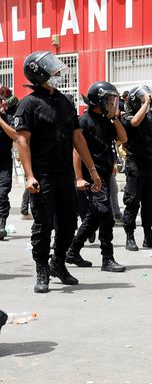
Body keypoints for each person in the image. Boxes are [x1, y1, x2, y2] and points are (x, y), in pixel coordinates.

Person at [12, 51, 102, 293]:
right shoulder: (28, 104)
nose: (57, 74)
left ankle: (58, 263)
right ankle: (42, 269)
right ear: (38, 73)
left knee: (69, 222)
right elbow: (22, 141)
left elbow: (77, 137)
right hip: (42, 175)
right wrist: (29, 175)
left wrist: (91, 170)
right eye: (51, 70)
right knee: (43, 224)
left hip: (65, 175)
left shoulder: (65, 101)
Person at [65, 82, 127, 273]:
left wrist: (115, 118)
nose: (111, 103)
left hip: (104, 175)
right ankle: (107, 258)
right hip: (90, 175)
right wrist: (78, 178)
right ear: (98, 101)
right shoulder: (84, 120)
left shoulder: (105, 120)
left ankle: (72, 251)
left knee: (94, 216)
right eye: (108, 100)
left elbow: (123, 139)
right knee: (106, 216)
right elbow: (77, 151)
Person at [120, 86, 152, 251]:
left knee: (148, 203)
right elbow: (134, 122)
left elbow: (150, 142)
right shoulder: (127, 116)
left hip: (147, 164)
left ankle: (148, 237)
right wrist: (147, 101)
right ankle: (130, 237)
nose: (143, 103)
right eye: (140, 100)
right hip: (134, 164)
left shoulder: (147, 119)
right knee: (132, 202)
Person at [0, 93, 16, 239]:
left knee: (2, 193)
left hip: (4, 163)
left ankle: (1, 223)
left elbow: (15, 135)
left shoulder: (8, 119)